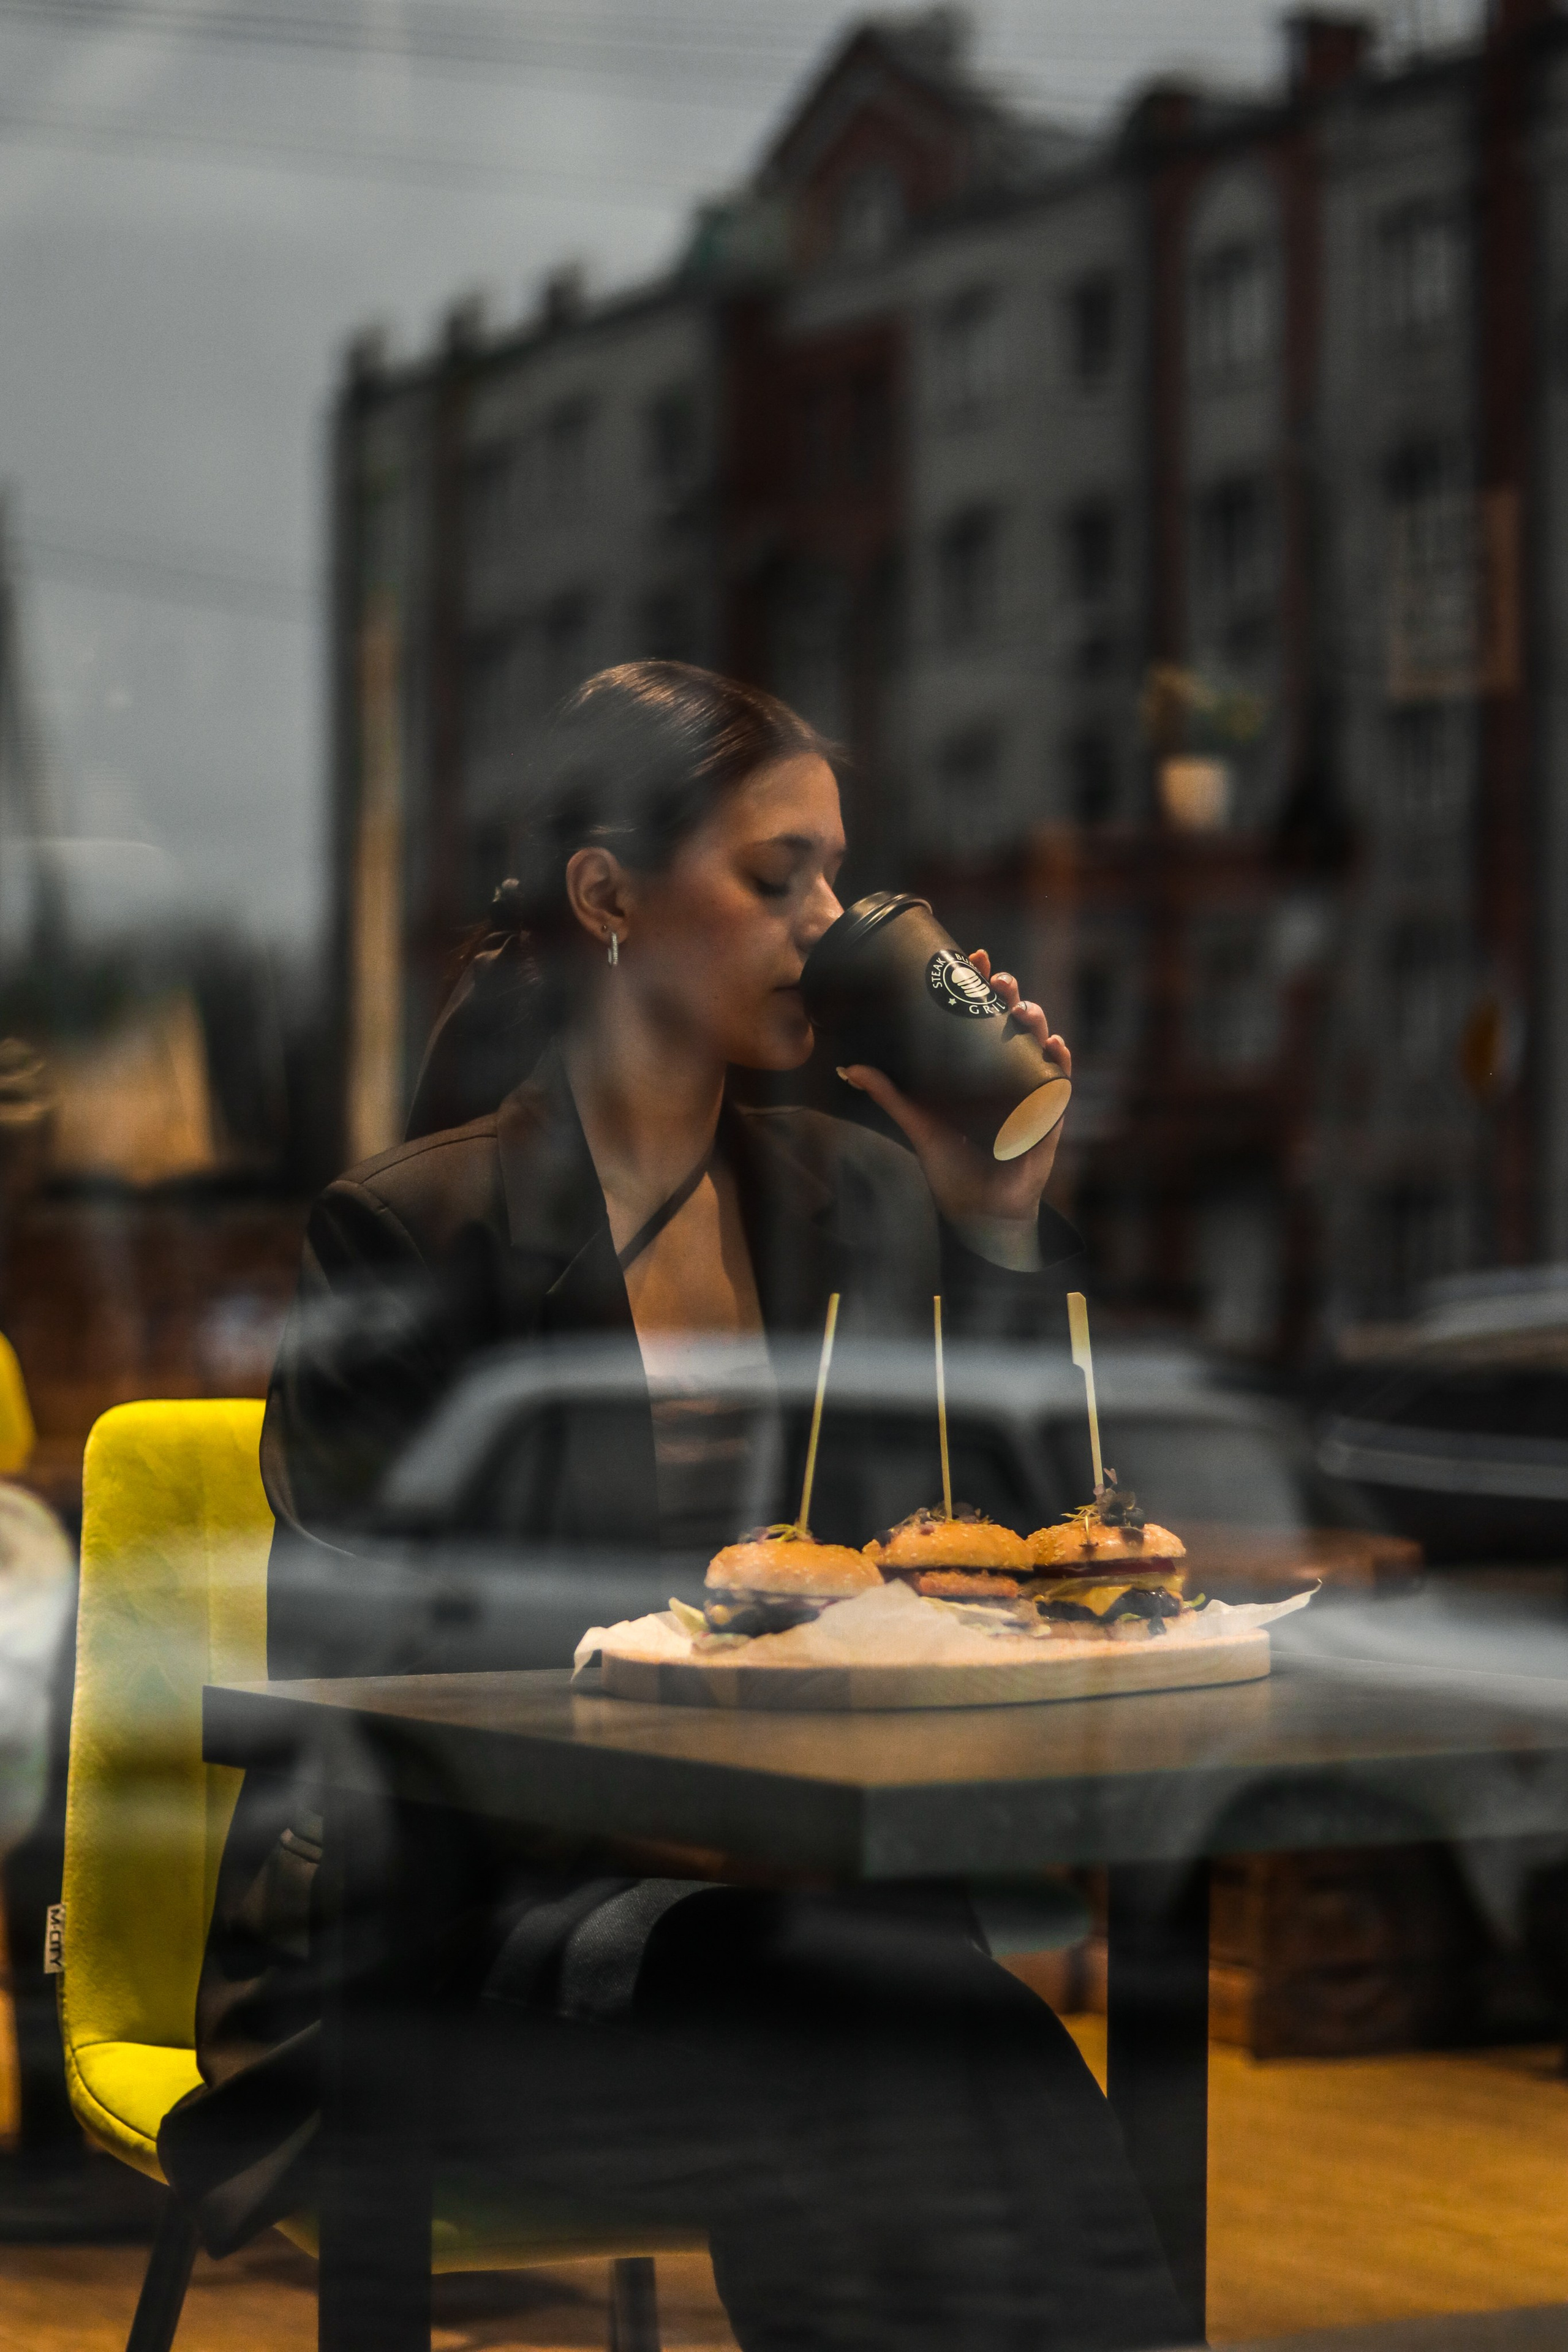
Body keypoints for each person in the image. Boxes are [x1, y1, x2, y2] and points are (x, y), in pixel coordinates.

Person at [161, 663, 1193, 2351]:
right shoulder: (414, 1232)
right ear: (609, 899)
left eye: (838, 876)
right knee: (884, 2035)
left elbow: (1013, 1567)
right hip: (472, 1946)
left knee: (946, 2042)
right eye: (777, 877)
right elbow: (370, 1683)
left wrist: (998, 1226)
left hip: (807, 1926)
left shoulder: (859, 1198)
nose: (828, 920)